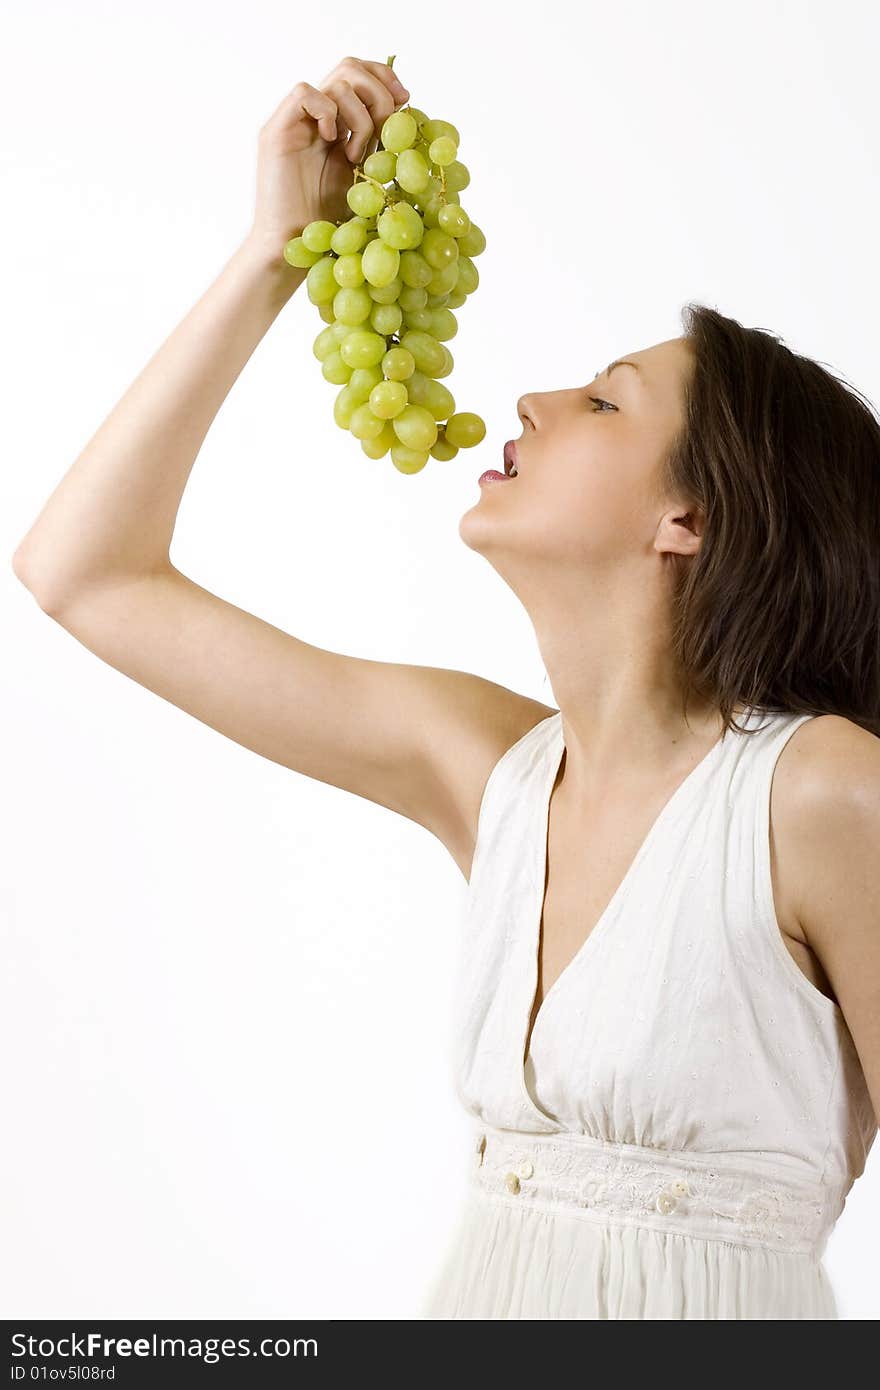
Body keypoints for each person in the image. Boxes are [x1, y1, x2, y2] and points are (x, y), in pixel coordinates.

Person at [11, 55, 880, 1321]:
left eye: (600, 400)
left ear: (690, 516)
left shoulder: (824, 793)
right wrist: (274, 253)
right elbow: (81, 571)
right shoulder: (485, 768)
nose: (525, 399)